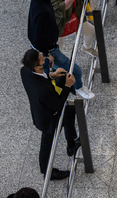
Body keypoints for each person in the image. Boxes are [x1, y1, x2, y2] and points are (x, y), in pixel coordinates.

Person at [21, 49, 80, 180]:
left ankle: (71, 144)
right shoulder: (43, 91)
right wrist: (67, 86)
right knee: (47, 142)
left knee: (69, 112)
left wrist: (52, 75)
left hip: (39, 112)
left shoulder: (24, 71)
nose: (44, 57)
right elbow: (57, 104)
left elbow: (41, 79)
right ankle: (48, 171)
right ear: (36, 67)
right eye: (42, 59)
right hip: (48, 118)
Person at [28, 0, 95, 99]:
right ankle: (77, 88)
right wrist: (46, 54)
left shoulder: (39, 4)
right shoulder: (42, 12)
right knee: (74, 71)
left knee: (45, 76)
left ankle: (55, 91)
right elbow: (37, 39)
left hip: (47, 47)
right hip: (47, 50)